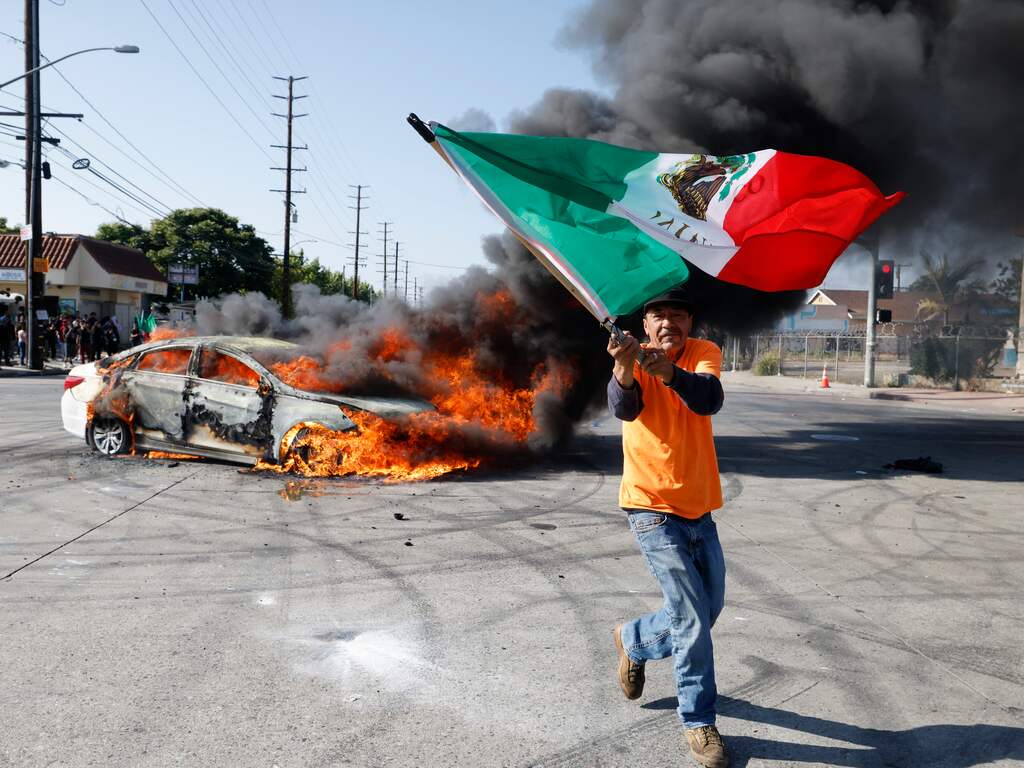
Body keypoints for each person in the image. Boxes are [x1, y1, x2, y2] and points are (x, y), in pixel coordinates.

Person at [606, 287, 728, 768]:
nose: (668, 322)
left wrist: (671, 374)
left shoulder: (703, 354)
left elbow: (709, 399)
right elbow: (624, 407)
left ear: (690, 322)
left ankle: (635, 639)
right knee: (693, 619)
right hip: (650, 507)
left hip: (699, 507)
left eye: (678, 313)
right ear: (646, 321)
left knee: (707, 607)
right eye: (659, 314)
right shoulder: (630, 355)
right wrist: (624, 367)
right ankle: (699, 723)